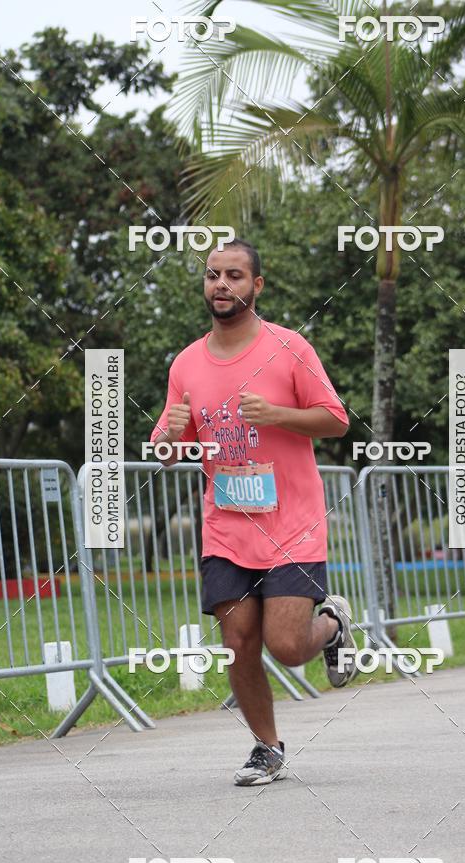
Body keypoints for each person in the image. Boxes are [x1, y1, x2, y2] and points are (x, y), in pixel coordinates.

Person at [151, 238, 358, 786]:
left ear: (256, 285)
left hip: (292, 522)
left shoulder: (288, 347)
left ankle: (332, 625)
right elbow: (170, 448)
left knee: (288, 648)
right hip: (226, 526)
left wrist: (279, 414)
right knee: (238, 641)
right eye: (213, 274)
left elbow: (336, 420)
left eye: (235, 275)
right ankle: (266, 749)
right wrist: (169, 438)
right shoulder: (187, 363)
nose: (221, 284)